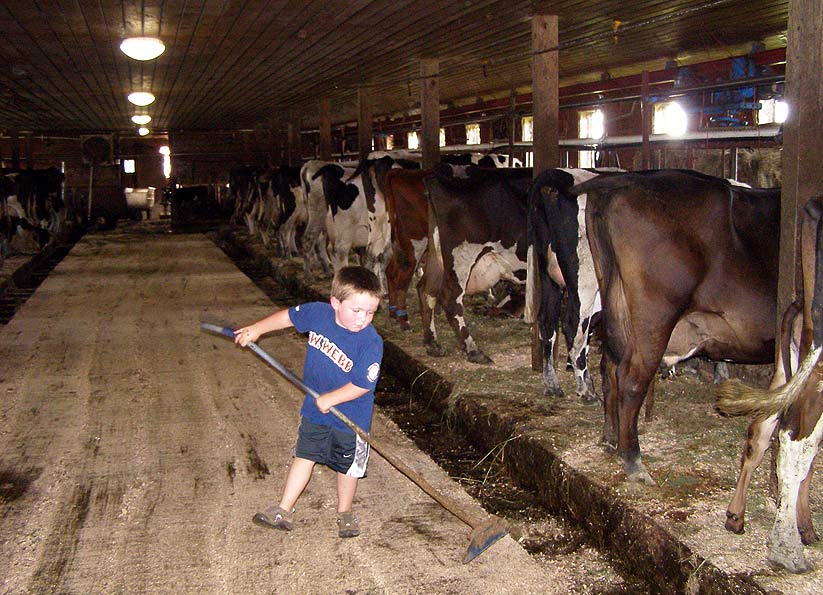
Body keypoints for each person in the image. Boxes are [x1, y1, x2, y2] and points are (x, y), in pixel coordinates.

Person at [234, 265, 383, 538]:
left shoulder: (370, 342)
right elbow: (288, 318)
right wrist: (257, 329)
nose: (363, 319)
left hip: (351, 418)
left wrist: (333, 398)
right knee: (304, 455)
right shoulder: (318, 314)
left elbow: (363, 385)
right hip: (316, 410)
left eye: (371, 312)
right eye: (357, 311)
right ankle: (284, 509)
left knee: (347, 466)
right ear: (335, 303)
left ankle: (345, 513)